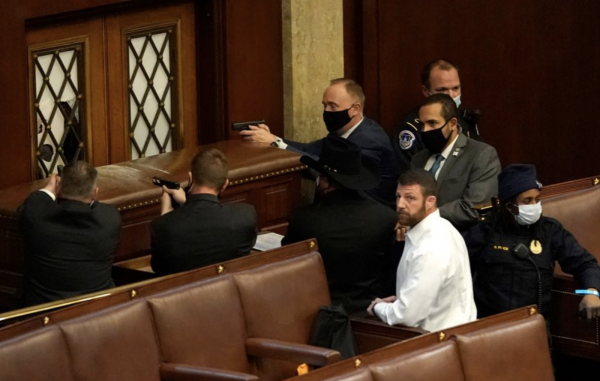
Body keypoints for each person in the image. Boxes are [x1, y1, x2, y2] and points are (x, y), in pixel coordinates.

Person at [464, 164, 600, 319]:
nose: (534, 206)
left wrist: (592, 291)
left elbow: (586, 264)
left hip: (534, 325)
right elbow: (461, 276)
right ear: (508, 205)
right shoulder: (484, 232)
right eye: (527, 201)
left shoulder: (551, 231)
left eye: (537, 199)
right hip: (492, 326)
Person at [240, 78, 398, 208]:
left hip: (367, 213)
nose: (326, 111)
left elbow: (337, 175)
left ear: (355, 108)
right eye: (324, 105)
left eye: (333, 106)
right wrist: (272, 138)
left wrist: (276, 144)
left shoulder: (370, 140)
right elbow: (307, 150)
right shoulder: (340, 131)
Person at [282, 137, 397, 314]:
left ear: (326, 182)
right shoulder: (386, 218)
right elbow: (392, 271)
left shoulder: (303, 219)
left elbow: (289, 269)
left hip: (318, 314)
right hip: (371, 313)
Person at [367, 169, 476, 331]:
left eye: (410, 198)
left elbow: (406, 317)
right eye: (398, 196)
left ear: (430, 201)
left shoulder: (431, 247)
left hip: (437, 344)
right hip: (446, 338)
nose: (400, 204)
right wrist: (403, 300)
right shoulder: (443, 228)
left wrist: (377, 307)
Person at [17, 161, 121, 307]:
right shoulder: (110, 218)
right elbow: (99, 207)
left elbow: (36, 201)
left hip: (41, 314)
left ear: (58, 188)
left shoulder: (35, 214)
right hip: (97, 311)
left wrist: (49, 189)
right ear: (95, 192)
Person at [150, 148, 257, 275]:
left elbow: (160, 268)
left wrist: (167, 214)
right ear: (225, 185)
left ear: (190, 178)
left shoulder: (163, 226)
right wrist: (186, 203)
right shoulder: (245, 215)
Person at [411, 93, 500, 231]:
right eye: (422, 124)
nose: (425, 130)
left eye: (432, 123)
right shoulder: (418, 159)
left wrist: (426, 216)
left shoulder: (481, 155)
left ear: (452, 124)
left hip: (460, 240)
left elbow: (474, 207)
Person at [392, 59, 483, 173]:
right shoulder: (413, 126)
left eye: (455, 88)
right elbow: (410, 174)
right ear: (426, 91)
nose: (451, 95)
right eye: (442, 89)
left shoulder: (466, 120)